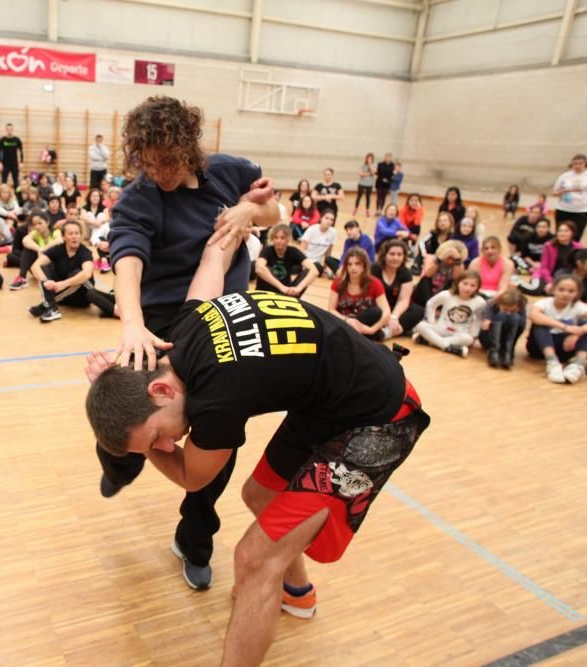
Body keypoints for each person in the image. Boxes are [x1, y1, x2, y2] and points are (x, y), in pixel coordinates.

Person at [84, 235, 429, 667]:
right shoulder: (185, 329)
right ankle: (297, 593)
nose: (167, 446)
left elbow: (193, 477)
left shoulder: (215, 400)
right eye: (157, 447)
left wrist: (147, 447)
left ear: (158, 388)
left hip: (378, 415)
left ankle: (273, 583)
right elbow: (214, 255)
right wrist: (112, 389)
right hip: (332, 397)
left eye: (157, 437)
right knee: (259, 494)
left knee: (253, 559)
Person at [106, 95, 280, 590]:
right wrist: (132, 323)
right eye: (147, 161)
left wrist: (249, 209)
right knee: (124, 414)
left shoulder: (229, 172)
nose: (158, 171)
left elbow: (273, 213)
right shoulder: (140, 198)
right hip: (159, 320)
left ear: (189, 148)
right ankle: (118, 462)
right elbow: (127, 256)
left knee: (218, 434)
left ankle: (195, 537)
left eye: (167, 159)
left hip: (224, 322)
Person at [27, 220, 115, 322]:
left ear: (80, 236)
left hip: (81, 297)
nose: (74, 236)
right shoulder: (57, 249)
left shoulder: (85, 252)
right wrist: (45, 281)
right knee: (43, 268)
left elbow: (87, 274)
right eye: (70, 234)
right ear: (64, 237)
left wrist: (62, 284)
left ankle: (48, 304)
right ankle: (51, 305)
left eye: (77, 233)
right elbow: (35, 266)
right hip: (62, 297)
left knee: (78, 273)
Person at [526, 273, 587, 383]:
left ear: (577, 294)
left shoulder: (578, 306)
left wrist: (581, 331)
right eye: (561, 290)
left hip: (564, 347)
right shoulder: (544, 303)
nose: (565, 294)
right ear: (553, 290)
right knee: (539, 324)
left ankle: (578, 365)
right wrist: (565, 327)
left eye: (571, 291)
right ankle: (552, 362)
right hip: (539, 346)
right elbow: (534, 315)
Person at [412, 270, 485, 358]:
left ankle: (430, 341)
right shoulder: (446, 295)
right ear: (458, 283)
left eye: (472, 285)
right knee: (421, 326)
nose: (468, 288)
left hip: (459, 333)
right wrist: (431, 321)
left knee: (468, 339)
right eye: (465, 283)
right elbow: (431, 304)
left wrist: (474, 334)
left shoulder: (479, 302)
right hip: (441, 328)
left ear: (477, 288)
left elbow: (479, 319)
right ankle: (448, 346)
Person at [328, 247, 390, 340]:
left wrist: (372, 329)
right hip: (344, 322)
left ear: (364, 266)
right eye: (349, 264)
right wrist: (347, 320)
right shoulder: (339, 282)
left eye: (357, 264)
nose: (353, 267)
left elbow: (386, 312)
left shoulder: (374, 283)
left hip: (364, 325)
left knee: (376, 312)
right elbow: (331, 309)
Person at [372, 239, 420, 338]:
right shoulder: (374, 269)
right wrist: (386, 316)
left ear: (404, 257)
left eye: (399, 254)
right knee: (373, 313)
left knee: (418, 311)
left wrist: (394, 317)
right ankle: (400, 329)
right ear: (384, 255)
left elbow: (403, 300)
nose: (396, 258)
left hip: (395, 308)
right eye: (392, 254)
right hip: (378, 306)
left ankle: (386, 333)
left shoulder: (406, 273)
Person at [254, 223, 316, 296]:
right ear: (272, 239)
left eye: (282, 238)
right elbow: (259, 269)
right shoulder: (268, 250)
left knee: (307, 271)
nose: (278, 241)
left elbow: (314, 270)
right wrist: (281, 287)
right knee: (265, 269)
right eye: (276, 238)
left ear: (288, 239)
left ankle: (291, 297)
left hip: (286, 292)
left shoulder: (293, 251)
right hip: (269, 290)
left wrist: (299, 288)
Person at [552, 153, 587, 242]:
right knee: (560, 234)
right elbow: (555, 192)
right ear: (571, 164)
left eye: (580, 163)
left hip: (582, 210)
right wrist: (564, 191)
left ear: (585, 164)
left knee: (576, 235)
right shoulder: (564, 176)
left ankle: (573, 254)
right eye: (575, 164)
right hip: (563, 209)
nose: (577, 166)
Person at [8, 212, 62, 290]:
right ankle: (22, 277)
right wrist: (38, 249)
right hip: (37, 267)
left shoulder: (55, 232)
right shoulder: (35, 233)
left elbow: (60, 240)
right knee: (28, 250)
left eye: (40, 223)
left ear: (47, 222)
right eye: (35, 224)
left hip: (53, 268)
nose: (37, 226)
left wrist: (44, 249)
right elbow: (25, 240)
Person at [479, 289, 528, 369]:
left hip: (507, 338)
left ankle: (507, 352)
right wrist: (488, 320)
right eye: (505, 309)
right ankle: (494, 351)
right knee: (501, 315)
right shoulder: (492, 304)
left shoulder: (521, 309)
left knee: (515, 318)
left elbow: (521, 326)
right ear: (499, 304)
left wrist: (512, 317)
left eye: (512, 311)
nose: (509, 313)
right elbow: (485, 325)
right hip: (490, 338)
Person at [413, 239, 466, 308]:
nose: (450, 261)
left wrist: (457, 260)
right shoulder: (432, 258)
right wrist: (440, 259)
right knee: (425, 280)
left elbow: (456, 279)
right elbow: (428, 274)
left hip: (444, 291)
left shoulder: (459, 265)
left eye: (453, 259)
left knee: (453, 284)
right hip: (427, 291)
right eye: (449, 258)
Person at [535, 221, 581, 290]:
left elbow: (579, 268)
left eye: (566, 231)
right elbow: (544, 267)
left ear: (572, 233)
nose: (562, 233)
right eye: (560, 231)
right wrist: (551, 282)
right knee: (537, 289)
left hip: (566, 278)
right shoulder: (549, 245)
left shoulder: (578, 247)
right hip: (548, 276)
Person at [300, 210, 338, 278]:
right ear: (321, 218)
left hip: (316, 263)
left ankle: (308, 270)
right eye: (326, 218)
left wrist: (326, 268)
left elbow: (328, 253)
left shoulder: (333, 233)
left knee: (318, 268)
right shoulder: (312, 229)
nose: (329, 221)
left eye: (331, 219)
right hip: (305, 260)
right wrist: (304, 264)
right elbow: (302, 248)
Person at [0, 123, 24, 188]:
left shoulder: (17, 140)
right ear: (6, 130)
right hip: (5, 164)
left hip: (14, 164)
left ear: (13, 130)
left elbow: (21, 151)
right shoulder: (2, 140)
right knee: (3, 182)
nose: (9, 130)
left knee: (16, 182)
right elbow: (0, 152)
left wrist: (22, 162)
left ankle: (17, 197)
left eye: (11, 129)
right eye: (8, 129)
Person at [354, 153, 374, 217]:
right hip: (361, 183)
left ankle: (367, 211)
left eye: (371, 158)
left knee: (368, 198)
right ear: (366, 158)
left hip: (369, 184)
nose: (369, 159)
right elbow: (361, 174)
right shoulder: (362, 165)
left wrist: (370, 165)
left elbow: (373, 173)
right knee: (359, 197)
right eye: (368, 158)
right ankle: (355, 209)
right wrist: (369, 174)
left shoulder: (374, 165)